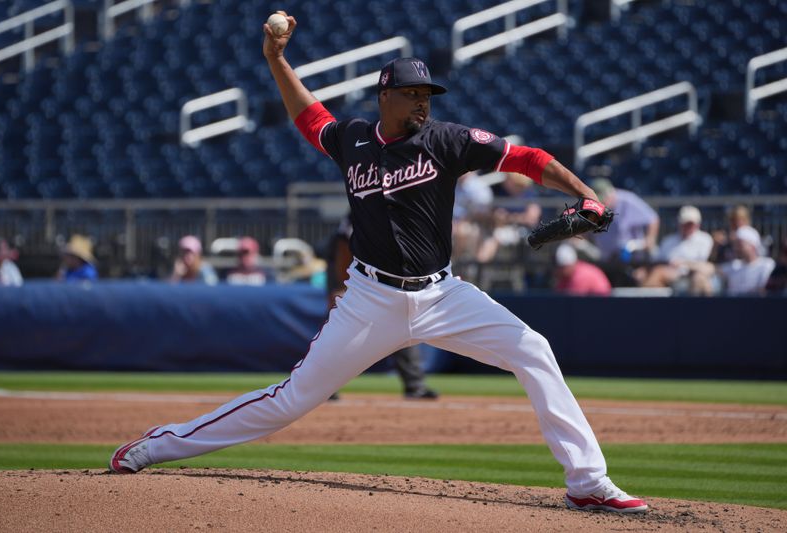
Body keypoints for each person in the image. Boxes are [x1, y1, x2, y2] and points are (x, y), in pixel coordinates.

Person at [109, 12, 648, 514]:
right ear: (384, 95)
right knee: (290, 400)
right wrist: (276, 59)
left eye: (428, 94)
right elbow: (307, 116)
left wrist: (584, 194)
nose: (423, 103)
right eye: (412, 93)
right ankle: (157, 446)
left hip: (443, 295)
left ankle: (586, 482)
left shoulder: (448, 140)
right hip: (370, 299)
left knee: (533, 349)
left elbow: (524, 158)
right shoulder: (353, 139)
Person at [327, 215, 438, 400]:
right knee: (344, 329)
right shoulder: (363, 211)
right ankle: (325, 385)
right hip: (349, 271)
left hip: (381, 272)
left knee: (402, 324)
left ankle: (415, 385)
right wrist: (340, 285)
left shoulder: (403, 216)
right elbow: (343, 247)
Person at [637, 205, 713, 289]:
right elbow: (659, 260)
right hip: (670, 273)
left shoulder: (705, 239)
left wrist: (683, 263)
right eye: (685, 223)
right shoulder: (668, 240)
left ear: (697, 224)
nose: (688, 227)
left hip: (692, 273)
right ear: (679, 223)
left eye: (691, 224)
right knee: (648, 274)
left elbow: (705, 264)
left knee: (658, 273)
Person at [589, 178, 659, 263]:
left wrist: (649, 239)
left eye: (603, 199)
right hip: (606, 258)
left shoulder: (627, 200)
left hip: (631, 257)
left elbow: (652, 218)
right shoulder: (593, 206)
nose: (601, 202)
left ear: (611, 193)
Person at [691, 226, 775, 296]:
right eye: (735, 244)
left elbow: (763, 291)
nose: (736, 248)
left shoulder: (767, 264)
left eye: (740, 244)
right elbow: (711, 268)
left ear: (752, 245)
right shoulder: (735, 265)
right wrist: (685, 264)